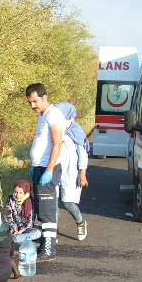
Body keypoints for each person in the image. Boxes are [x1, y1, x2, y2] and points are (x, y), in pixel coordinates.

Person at [25, 83, 64, 261]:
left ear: (44, 97)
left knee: (48, 210)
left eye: (35, 101)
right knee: (41, 208)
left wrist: (48, 170)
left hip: (49, 169)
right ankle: (44, 244)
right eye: (30, 103)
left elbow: (57, 143)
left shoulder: (54, 114)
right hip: (40, 168)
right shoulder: (43, 115)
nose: (33, 106)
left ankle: (49, 249)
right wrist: (36, 165)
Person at [55, 101, 89, 241]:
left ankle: (80, 223)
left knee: (68, 203)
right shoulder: (54, 128)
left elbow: (83, 154)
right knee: (53, 202)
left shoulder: (75, 130)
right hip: (54, 170)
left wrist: (83, 174)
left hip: (71, 173)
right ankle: (53, 232)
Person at [4, 180, 42, 244]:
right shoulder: (10, 199)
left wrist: (21, 230)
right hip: (12, 226)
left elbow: (30, 221)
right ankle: (20, 238)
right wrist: (15, 229)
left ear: (26, 192)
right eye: (15, 192)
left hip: (25, 228)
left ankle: (10, 239)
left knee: (37, 233)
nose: (17, 195)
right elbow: (9, 217)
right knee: (1, 229)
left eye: (20, 193)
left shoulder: (30, 201)